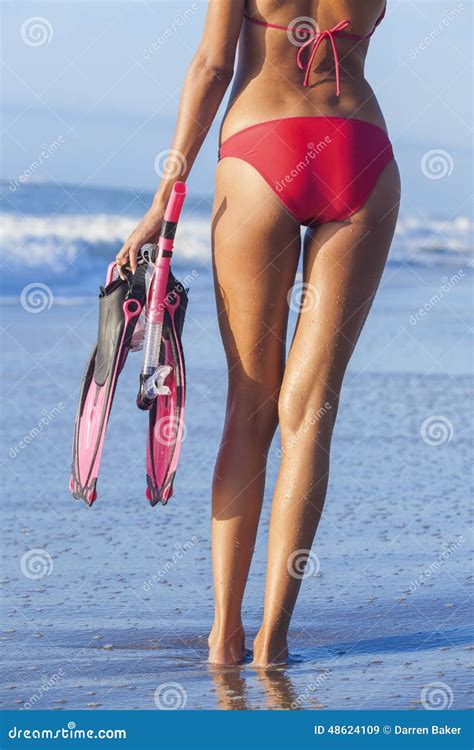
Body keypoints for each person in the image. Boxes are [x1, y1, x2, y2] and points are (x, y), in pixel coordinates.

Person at [116, 0, 400, 667]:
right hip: (359, 152)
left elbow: (214, 64)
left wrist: (166, 198)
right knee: (311, 412)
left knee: (250, 407)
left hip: (261, 150)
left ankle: (226, 637)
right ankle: (274, 642)